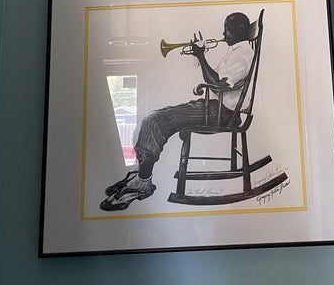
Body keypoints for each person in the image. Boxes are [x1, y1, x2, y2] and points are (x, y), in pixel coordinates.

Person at [100, 12, 254, 211]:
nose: (223, 34)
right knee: (159, 115)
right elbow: (214, 78)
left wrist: (201, 55)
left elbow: (217, 85)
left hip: (222, 114)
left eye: (227, 29)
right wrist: (199, 56)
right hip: (215, 107)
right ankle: (140, 173)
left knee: (154, 120)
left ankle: (143, 182)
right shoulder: (235, 51)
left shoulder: (243, 56)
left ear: (240, 30)